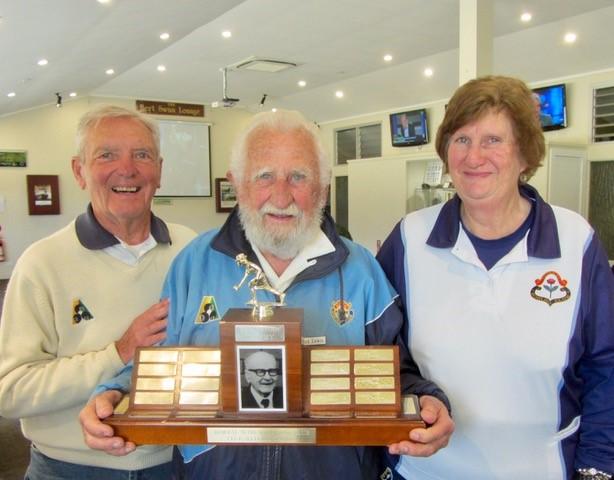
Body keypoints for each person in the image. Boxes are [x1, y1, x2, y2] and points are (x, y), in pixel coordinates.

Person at [80, 109, 454, 480]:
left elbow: (395, 371)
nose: (281, 195)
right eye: (264, 176)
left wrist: (425, 399)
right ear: (237, 184)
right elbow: (159, 361)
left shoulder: (361, 271)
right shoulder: (193, 264)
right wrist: (114, 392)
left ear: (322, 188)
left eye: (298, 177)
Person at [377, 75, 614, 479]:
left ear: (525, 154)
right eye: (461, 139)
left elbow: (606, 367)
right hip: (425, 470)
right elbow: (381, 355)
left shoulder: (576, 241)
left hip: (543, 468)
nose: (474, 157)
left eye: (493, 140)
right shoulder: (409, 238)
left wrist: (597, 467)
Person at [0, 105, 196, 479]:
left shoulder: (191, 250)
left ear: (159, 171)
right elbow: (10, 391)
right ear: (79, 171)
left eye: (142, 155)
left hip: (175, 464)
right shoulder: (41, 263)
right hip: (69, 469)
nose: (127, 168)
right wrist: (119, 352)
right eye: (107, 155)